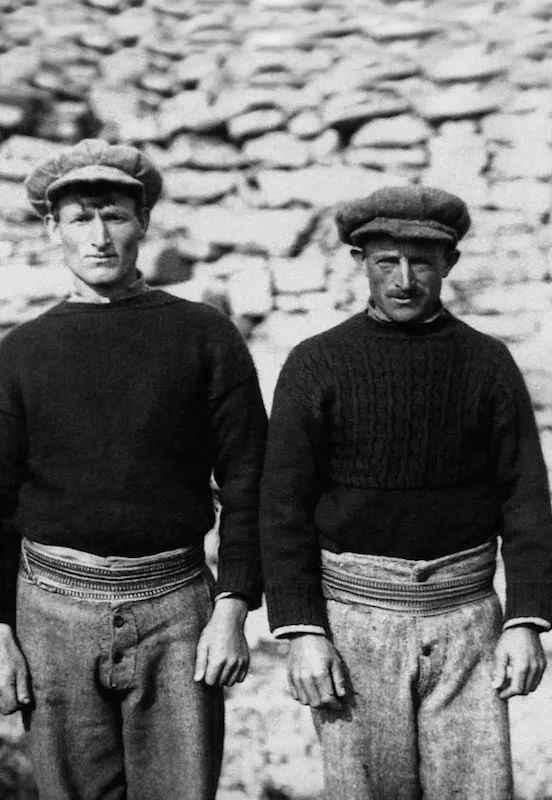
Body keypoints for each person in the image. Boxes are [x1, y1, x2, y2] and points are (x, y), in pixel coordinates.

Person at [260, 185, 552, 799]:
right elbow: (282, 508)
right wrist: (303, 630)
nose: (403, 279)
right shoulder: (316, 363)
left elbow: (524, 496)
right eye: (385, 261)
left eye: (420, 262)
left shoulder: (487, 363)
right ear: (358, 262)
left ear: (449, 262)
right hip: (354, 623)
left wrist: (525, 621)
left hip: (466, 622)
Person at [0, 138, 267, 799]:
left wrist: (232, 607)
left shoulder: (205, 335)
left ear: (143, 222)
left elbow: (249, 479)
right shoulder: (21, 353)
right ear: (53, 227)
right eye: (79, 218)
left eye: (115, 216)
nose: (98, 237)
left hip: (175, 609)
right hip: (51, 612)